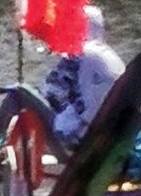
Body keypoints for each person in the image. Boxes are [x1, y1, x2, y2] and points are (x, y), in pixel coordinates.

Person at [42, 4, 124, 151]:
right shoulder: (110, 56)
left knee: (19, 93)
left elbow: (51, 91)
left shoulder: (79, 51)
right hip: (107, 129)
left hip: (79, 134)